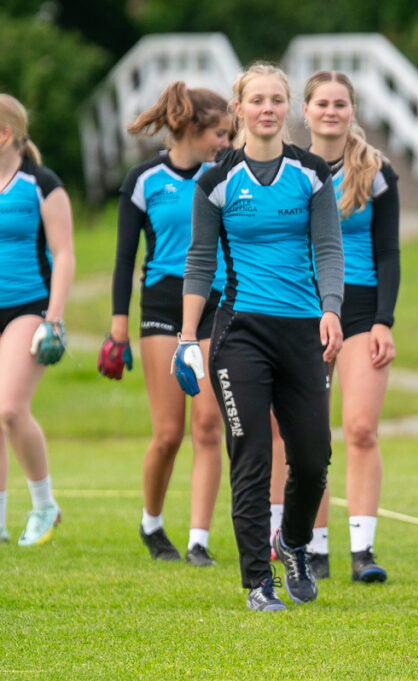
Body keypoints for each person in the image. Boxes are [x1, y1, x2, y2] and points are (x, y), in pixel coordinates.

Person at [179, 62, 344, 612]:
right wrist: (185, 337)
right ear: (240, 108)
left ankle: (292, 543)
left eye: (277, 99)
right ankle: (258, 582)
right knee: (250, 454)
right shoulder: (216, 180)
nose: (267, 108)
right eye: (257, 100)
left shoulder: (313, 174)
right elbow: (200, 260)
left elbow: (329, 248)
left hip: (303, 332)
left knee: (314, 457)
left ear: (288, 107)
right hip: (239, 332)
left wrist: (331, 310)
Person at [267, 70, 399, 583]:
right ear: (306, 110)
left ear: (352, 110)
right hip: (303, 307)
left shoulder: (376, 172)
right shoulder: (289, 169)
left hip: (363, 308)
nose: (330, 111)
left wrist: (385, 319)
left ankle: (362, 550)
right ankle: (311, 546)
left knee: (361, 428)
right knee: (304, 432)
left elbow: (388, 252)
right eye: (321, 103)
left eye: (340, 103)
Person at [100, 81, 232, 567]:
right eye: (218, 133)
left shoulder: (225, 175)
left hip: (216, 304)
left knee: (208, 424)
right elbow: (122, 259)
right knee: (168, 433)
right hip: (160, 308)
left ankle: (198, 539)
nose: (224, 142)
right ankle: (152, 523)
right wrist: (117, 328)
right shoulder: (143, 178)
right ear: (192, 128)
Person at [0, 94, 74, 547]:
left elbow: (64, 253)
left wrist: (55, 318)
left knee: (8, 408)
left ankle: (44, 505)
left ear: (4, 133)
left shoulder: (41, 183)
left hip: (29, 308)